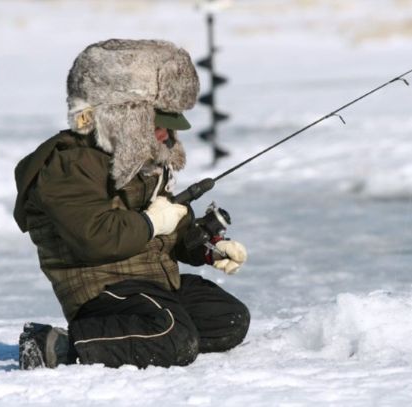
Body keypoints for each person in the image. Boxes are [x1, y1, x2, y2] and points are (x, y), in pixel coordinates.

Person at [13, 39, 250, 369]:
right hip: (102, 289)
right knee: (175, 337)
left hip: (152, 282)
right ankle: (57, 346)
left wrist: (207, 248)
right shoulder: (69, 166)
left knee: (228, 319)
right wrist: (153, 223)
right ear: (122, 119)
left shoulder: (142, 162)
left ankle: (142, 336)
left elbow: (172, 227)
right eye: (159, 125)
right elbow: (96, 237)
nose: (167, 135)